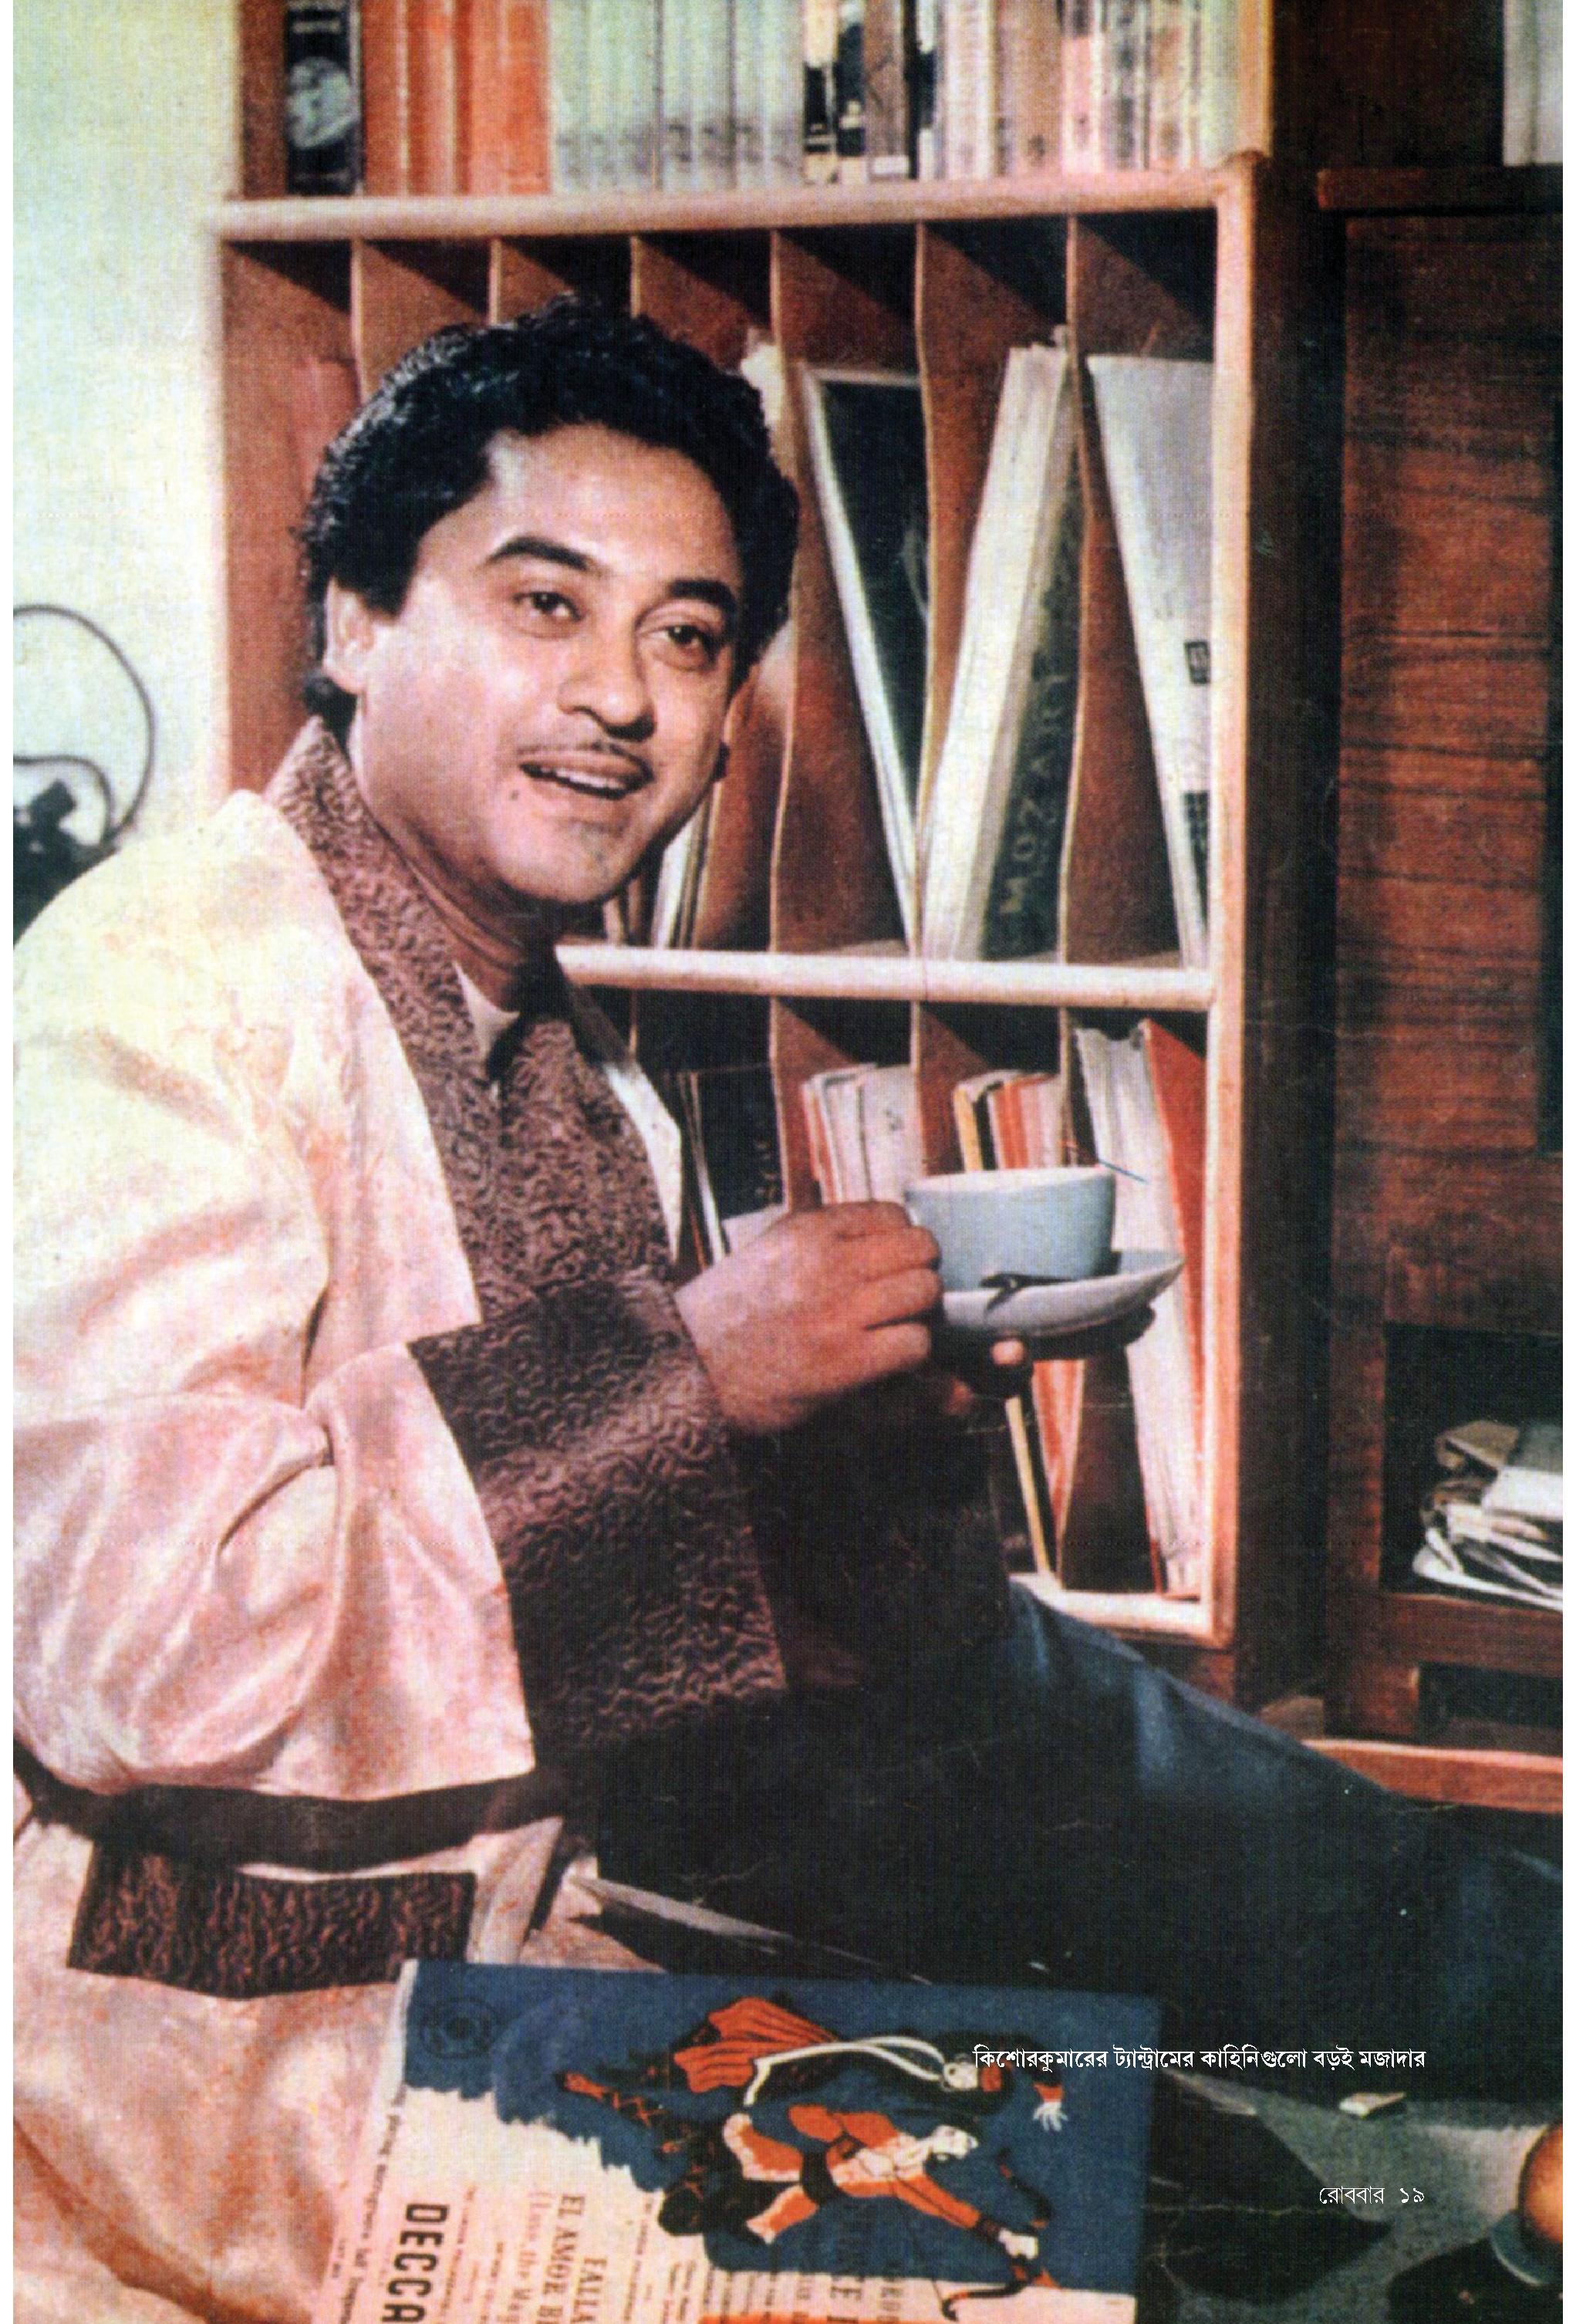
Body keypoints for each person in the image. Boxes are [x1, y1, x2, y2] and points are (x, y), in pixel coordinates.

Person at [14, 302, 1558, 2324]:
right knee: (1118, 2249)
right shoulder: (156, 992)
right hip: (193, 2063)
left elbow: (652, 1645)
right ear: (358, 621)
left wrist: (856, 1475)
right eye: (545, 604)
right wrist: (686, 1380)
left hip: (499, 1955)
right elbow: (142, 1657)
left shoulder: (562, 1054)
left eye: (686, 636)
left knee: (1229, 2164)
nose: (618, 697)